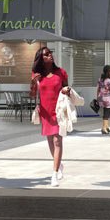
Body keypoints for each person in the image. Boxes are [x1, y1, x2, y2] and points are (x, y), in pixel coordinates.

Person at [32, 46, 71, 184]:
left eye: (50, 53)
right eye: (46, 54)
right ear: (41, 58)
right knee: (50, 141)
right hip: (45, 112)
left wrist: (67, 90)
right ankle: (59, 164)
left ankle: (54, 174)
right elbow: (32, 95)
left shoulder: (61, 72)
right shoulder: (37, 74)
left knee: (57, 140)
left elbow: (66, 88)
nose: (50, 55)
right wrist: (33, 82)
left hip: (58, 110)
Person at [96, 65, 110, 135]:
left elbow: (98, 89)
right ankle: (104, 128)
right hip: (107, 98)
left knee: (105, 112)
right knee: (107, 113)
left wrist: (97, 97)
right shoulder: (109, 80)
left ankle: (107, 127)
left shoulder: (100, 79)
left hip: (101, 98)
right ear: (109, 71)